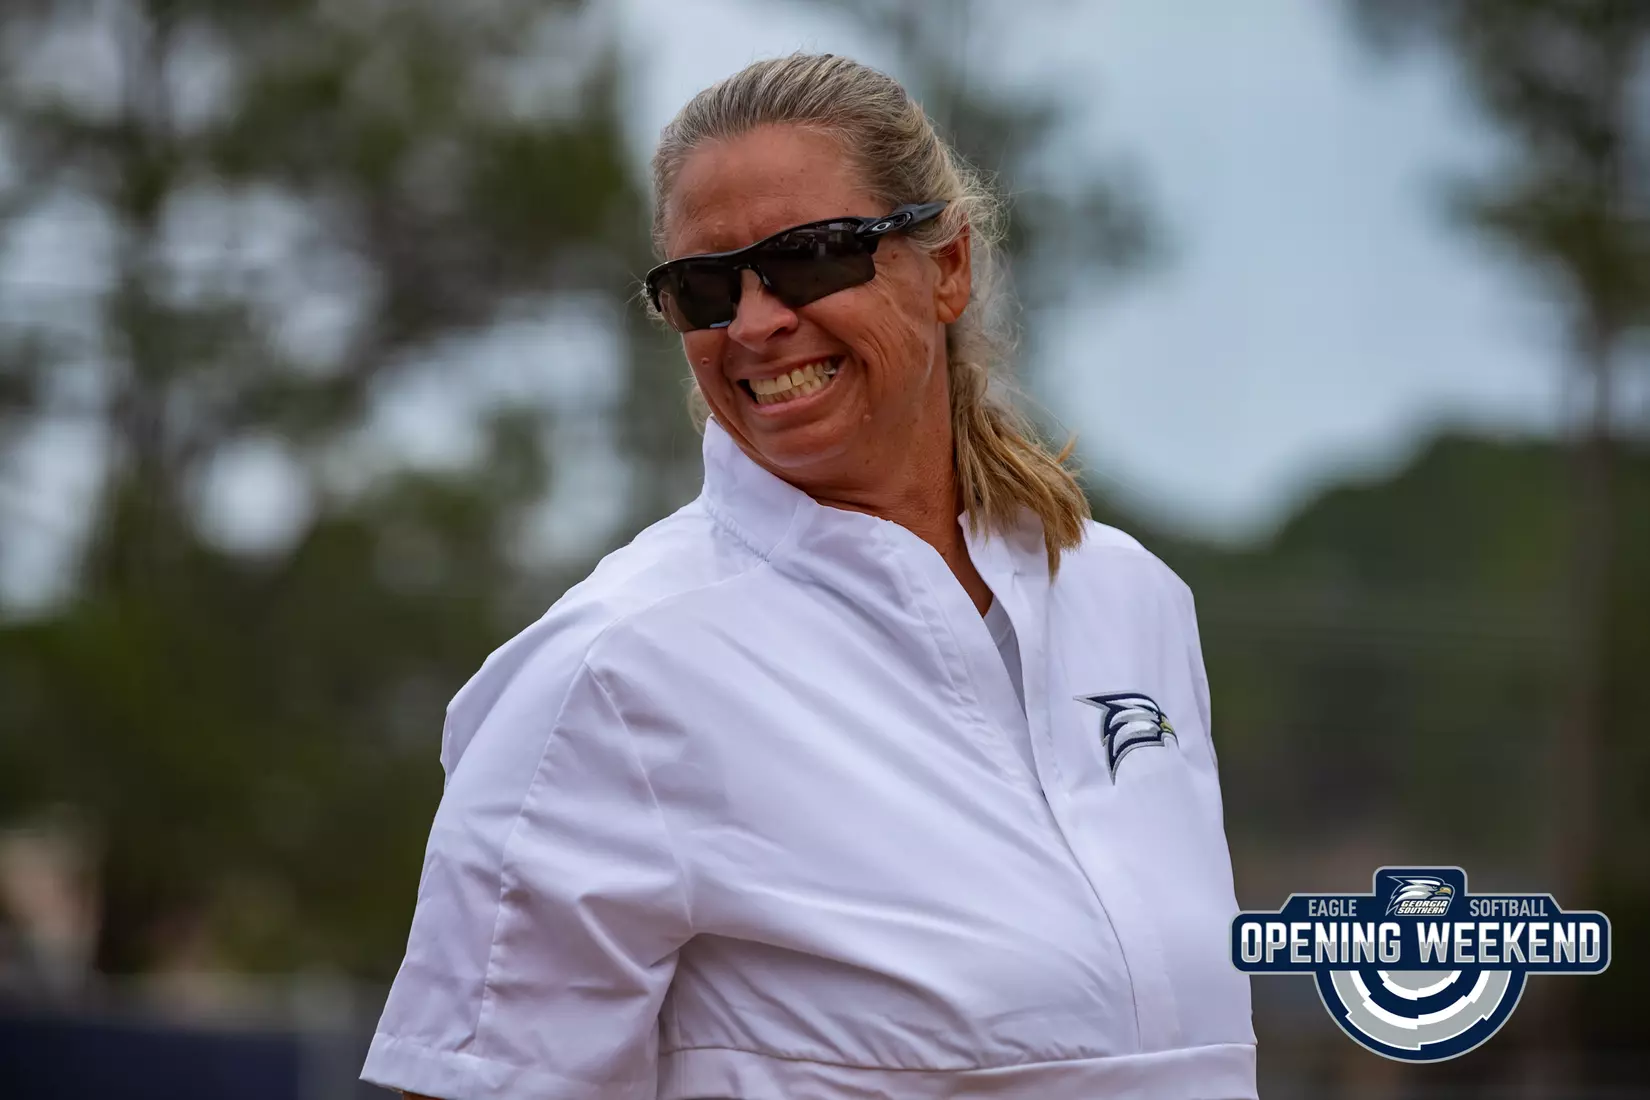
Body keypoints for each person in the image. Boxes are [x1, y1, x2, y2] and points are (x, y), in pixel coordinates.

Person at [362, 52, 1255, 1100]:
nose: (753, 321)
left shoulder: (1130, 599)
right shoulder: (610, 671)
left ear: (949, 267)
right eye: (704, 287)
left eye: (813, 256)